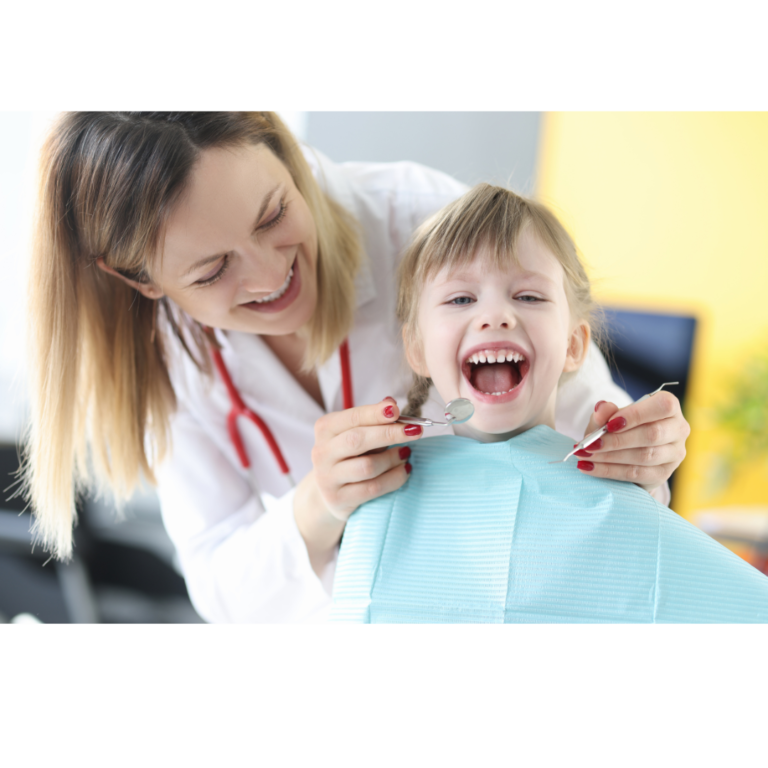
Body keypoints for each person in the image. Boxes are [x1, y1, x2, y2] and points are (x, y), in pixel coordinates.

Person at [24, 111, 690, 624]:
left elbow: (589, 425)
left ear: (281, 148)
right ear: (141, 282)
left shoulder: (429, 226)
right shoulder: (168, 355)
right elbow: (224, 591)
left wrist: (639, 452)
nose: (270, 274)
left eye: (273, 214)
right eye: (212, 270)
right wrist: (319, 506)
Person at [331, 184, 768, 624]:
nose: (496, 315)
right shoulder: (380, 492)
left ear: (575, 345)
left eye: (529, 296)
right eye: (461, 298)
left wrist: (642, 498)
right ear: (418, 349)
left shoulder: (619, 496)